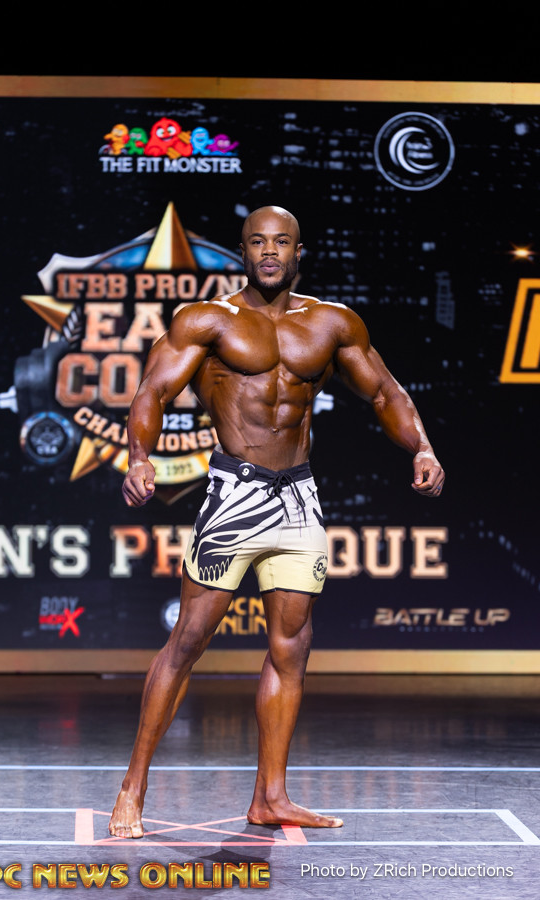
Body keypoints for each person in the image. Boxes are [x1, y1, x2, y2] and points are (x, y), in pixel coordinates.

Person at [108, 206, 445, 838]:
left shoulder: (332, 323)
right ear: (243, 252)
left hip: (299, 500)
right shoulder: (207, 320)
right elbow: (152, 391)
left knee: (292, 648)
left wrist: (422, 448)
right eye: (258, 242)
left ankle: (271, 796)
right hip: (234, 495)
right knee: (189, 640)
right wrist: (140, 457)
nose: (269, 251)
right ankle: (134, 785)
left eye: (281, 242)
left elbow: (385, 392)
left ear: (298, 252)